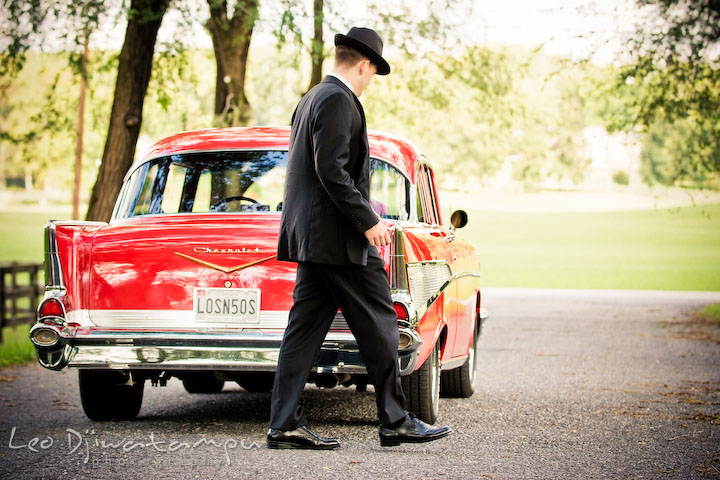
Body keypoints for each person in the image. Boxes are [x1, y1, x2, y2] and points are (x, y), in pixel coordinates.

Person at [267, 26, 452, 450]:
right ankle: (395, 419)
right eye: (372, 73)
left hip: (315, 239)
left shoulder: (312, 97)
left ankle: (284, 423)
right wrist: (368, 219)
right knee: (381, 320)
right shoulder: (336, 99)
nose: (370, 82)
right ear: (365, 65)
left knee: (303, 332)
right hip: (339, 240)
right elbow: (329, 168)